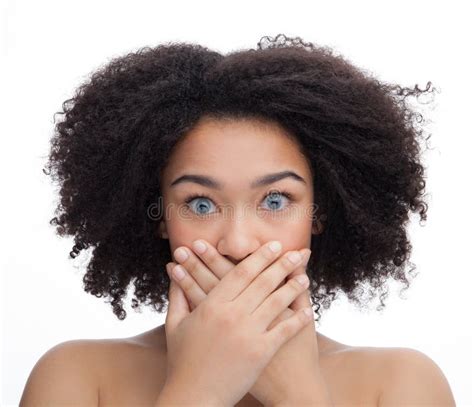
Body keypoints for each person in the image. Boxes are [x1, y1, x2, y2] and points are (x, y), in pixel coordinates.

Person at [20, 34, 455, 406]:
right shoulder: (77, 378)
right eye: (201, 204)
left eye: (277, 199)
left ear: (319, 213)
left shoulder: (401, 384)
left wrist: (298, 396)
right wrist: (198, 390)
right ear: (159, 218)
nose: (240, 243)